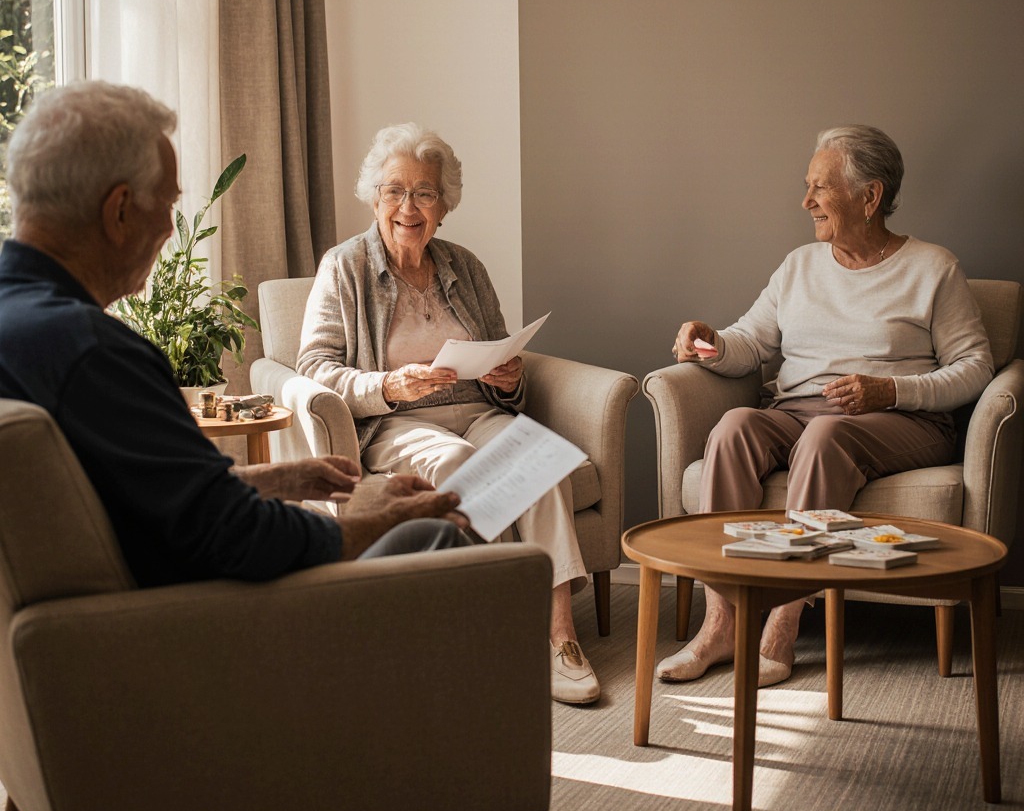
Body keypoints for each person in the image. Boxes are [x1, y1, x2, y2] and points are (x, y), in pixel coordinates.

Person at [0, 81, 473, 590]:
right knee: (437, 536)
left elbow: (140, 494)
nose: (168, 226)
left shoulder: (24, 328)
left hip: (107, 620)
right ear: (118, 211)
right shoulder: (95, 356)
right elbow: (238, 536)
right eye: (166, 203)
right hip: (203, 626)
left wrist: (280, 479)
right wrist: (379, 519)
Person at [657, 125, 993, 687]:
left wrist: (892, 391)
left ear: (870, 196)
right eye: (807, 186)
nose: (806, 200)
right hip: (800, 409)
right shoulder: (799, 266)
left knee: (826, 437)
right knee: (735, 426)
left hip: (899, 420)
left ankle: (783, 624)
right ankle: (723, 623)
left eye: (820, 187)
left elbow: (976, 366)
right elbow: (752, 343)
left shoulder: (934, 268)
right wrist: (710, 342)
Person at [296, 122, 600, 705]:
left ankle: (560, 636)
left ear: (444, 205)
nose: (408, 207)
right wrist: (390, 385)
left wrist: (509, 377)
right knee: (464, 463)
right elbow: (314, 366)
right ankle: (501, 628)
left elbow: (501, 356)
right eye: (394, 191)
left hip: (474, 409)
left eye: (424, 193)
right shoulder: (344, 267)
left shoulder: (466, 266)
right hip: (397, 423)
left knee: (533, 453)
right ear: (375, 197)